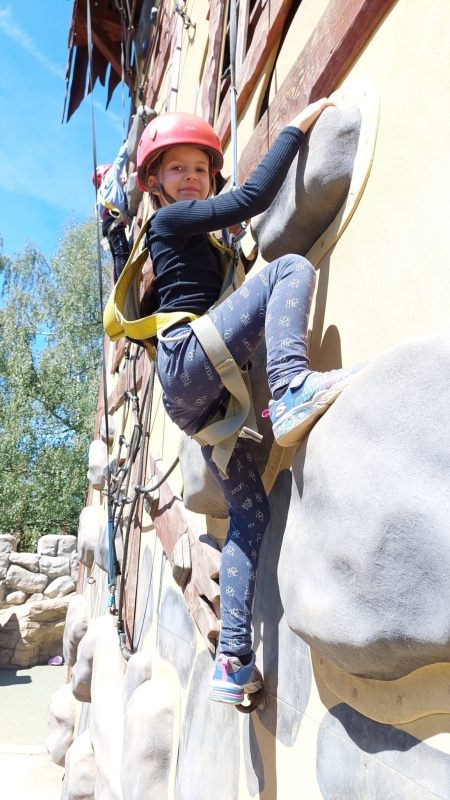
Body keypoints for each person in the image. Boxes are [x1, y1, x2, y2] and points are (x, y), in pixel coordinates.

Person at [135, 102, 364, 705]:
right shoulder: (170, 222)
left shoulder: (201, 241)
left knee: (250, 512)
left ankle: (233, 659)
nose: (191, 177)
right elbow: (253, 198)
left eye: (199, 169)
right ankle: (290, 388)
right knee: (288, 269)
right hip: (191, 358)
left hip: (197, 399)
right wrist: (295, 127)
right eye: (177, 169)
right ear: (155, 182)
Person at [92, 141, 131, 281]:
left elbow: (100, 218)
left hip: (108, 224)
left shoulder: (99, 198)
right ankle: (123, 283)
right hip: (114, 219)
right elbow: (121, 158)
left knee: (116, 257)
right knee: (122, 254)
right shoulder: (110, 175)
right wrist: (128, 143)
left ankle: (118, 285)